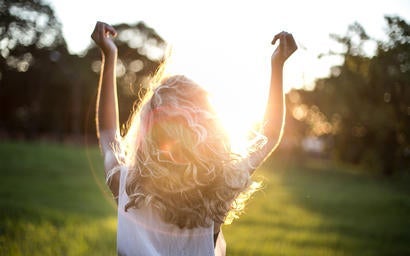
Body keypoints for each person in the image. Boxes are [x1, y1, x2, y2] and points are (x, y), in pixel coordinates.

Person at [91, 21, 297, 256]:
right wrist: (277, 66)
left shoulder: (126, 183)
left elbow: (109, 135)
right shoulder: (219, 188)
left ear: (148, 130)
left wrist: (109, 55)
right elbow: (268, 136)